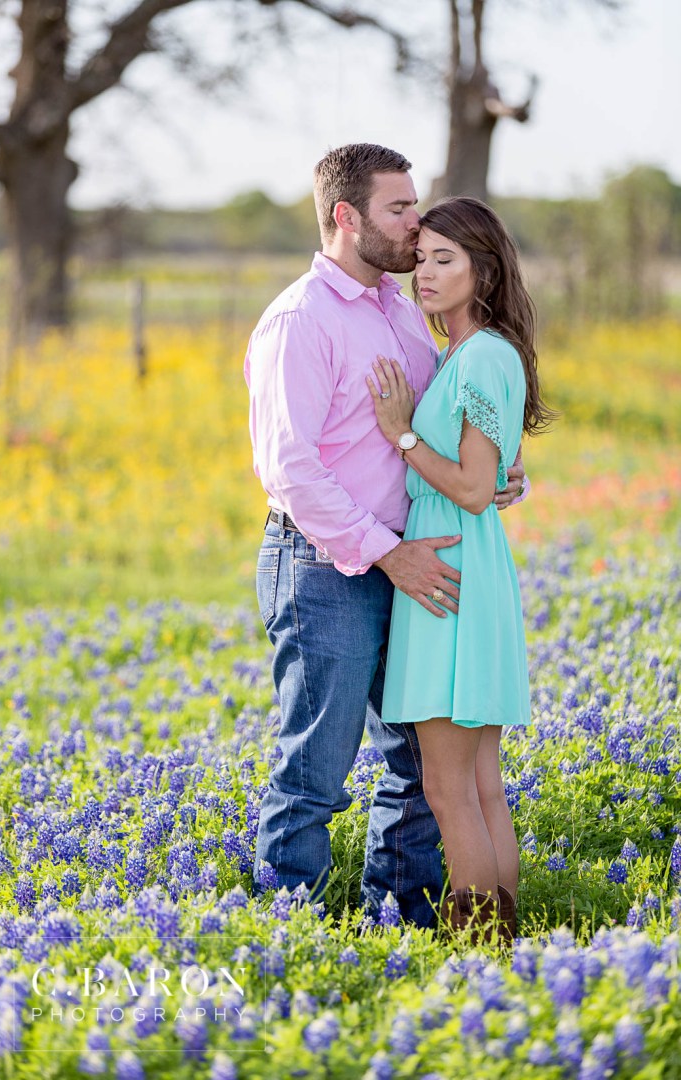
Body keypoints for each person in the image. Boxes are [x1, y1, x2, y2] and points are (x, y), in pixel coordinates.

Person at [244, 144, 527, 928]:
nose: (414, 223)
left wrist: (499, 477)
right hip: (326, 562)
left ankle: (400, 917)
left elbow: (451, 429)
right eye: (399, 209)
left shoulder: (402, 312)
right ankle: (287, 930)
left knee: (416, 761)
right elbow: (290, 468)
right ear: (347, 216)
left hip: (412, 560)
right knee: (316, 766)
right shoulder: (301, 319)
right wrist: (386, 549)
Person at [367, 196, 554, 941]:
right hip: (468, 563)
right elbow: (493, 476)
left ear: (485, 270)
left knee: (449, 790)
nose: (426, 273)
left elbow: (474, 488)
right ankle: (502, 943)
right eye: (421, 259)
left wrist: (401, 434)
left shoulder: (479, 356)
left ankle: (479, 948)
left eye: (445, 259)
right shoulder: (471, 353)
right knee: (480, 786)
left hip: (447, 571)